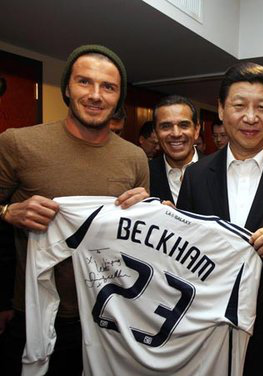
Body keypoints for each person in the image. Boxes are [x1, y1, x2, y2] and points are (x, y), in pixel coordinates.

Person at [0, 44, 149, 375]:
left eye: (108, 87)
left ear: (119, 97)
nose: (96, 95)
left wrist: (150, 211)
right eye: (84, 82)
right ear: (67, 86)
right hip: (35, 314)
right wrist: (8, 213)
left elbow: (139, 240)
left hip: (109, 315)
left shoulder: (135, 158)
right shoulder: (17, 143)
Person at [177, 62, 263, 376]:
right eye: (239, 106)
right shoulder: (196, 175)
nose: (251, 117)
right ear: (220, 109)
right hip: (204, 331)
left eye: (262, 107)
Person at [149, 95, 202, 204]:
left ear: (196, 130)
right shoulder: (145, 174)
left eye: (184, 125)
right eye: (166, 126)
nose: (176, 134)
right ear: (155, 133)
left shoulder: (220, 172)